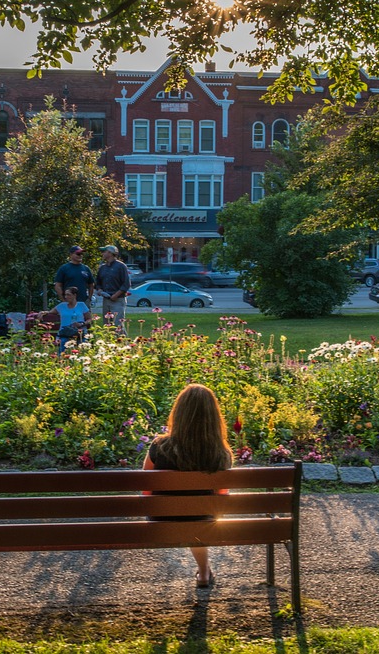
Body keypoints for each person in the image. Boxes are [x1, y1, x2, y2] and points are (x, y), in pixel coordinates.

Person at [143, 383, 235, 588]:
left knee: (192, 517)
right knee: (199, 518)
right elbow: (222, 498)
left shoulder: (159, 446)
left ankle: (204, 571)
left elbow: (145, 488)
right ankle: (204, 573)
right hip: (201, 521)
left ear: (179, 414)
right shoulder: (221, 454)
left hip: (161, 519)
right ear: (213, 418)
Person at [95, 244, 132, 335]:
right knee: (107, 325)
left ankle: (125, 343)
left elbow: (126, 284)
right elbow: (98, 282)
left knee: (117, 324)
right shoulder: (102, 267)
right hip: (106, 299)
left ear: (110, 253)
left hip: (118, 300)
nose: (102, 253)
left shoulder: (121, 266)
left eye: (104, 251)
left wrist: (116, 295)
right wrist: (99, 290)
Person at [53, 287, 91, 353]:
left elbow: (90, 319)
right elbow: (50, 312)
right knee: (63, 343)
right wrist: (43, 312)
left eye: (68, 295)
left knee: (83, 346)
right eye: (65, 295)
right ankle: (61, 360)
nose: (66, 297)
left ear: (74, 295)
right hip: (64, 333)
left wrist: (82, 324)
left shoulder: (81, 305)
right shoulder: (62, 306)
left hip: (79, 333)